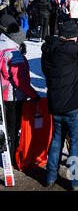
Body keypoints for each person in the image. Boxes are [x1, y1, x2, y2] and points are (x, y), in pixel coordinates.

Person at [41, 19, 78, 191]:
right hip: (74, 105)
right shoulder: (68, 50)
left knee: (56, 141)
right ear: (73, 37)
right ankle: (76, 181)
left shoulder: (48, 49)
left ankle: (50, 176)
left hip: (56, 103)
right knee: (76, 143)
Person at [0, 23, 39, 166]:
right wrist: (33, 94)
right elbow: (19, 80)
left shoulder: (3, 46)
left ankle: (8, 153)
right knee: (13, 127)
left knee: (9, 126)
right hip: (14, 96)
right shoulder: (15, 55)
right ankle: (11, 157)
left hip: (4, 93)